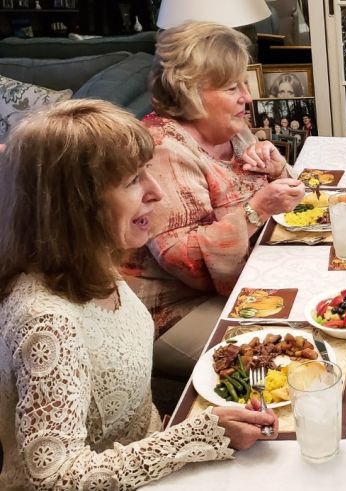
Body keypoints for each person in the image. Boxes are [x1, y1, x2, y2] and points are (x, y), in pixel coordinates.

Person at [0, 100, 278, 489]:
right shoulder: (47, 319)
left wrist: (177, 434)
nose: (157, 191)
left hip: (150, 455)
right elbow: (54, 479)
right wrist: (194, 436)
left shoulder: (94, 263)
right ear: (74, 207)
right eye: (133, 180)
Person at [122, 21, 305, 376]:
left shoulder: (230, 129)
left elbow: (295, 204)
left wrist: (276, 169)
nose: (247, 98)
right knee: (284, 359)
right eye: (232, 87)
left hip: (245, 278)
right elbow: (183, 261)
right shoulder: (163, 150)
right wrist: (256, 209)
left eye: (245, 84)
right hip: (175, 308)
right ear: (190, 92)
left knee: (326, 309)